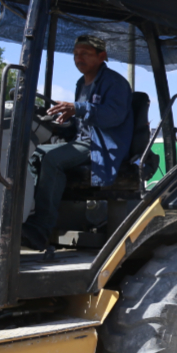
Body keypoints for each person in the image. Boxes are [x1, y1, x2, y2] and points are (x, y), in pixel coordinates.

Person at [21, 35, 133, 250]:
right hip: (83, 141)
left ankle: (41, 229)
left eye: (85, 54)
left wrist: (78, 109)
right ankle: (32, 216)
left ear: (102, 56)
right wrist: (66, 118)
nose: (78, 59)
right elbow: (83, 118)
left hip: (102, 145)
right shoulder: (82, 83)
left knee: (52, 159)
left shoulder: (115, 83)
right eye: (75, 54)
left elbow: (114, 116)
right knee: (36, 153)